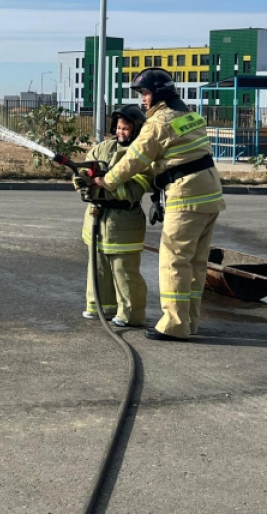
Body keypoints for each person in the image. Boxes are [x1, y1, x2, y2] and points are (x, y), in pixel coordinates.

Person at [94, 69, 225, 342]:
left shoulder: (159, 122)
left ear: (159, 94)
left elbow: (134, 159)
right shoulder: (190, 117)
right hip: (210, 196)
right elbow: (175, 157)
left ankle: (174, 325)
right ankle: (189, 321)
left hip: (186, 197)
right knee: (196, 263)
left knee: (174, 262)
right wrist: (157, 193)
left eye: (145, 93)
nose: (142, 100)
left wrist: (106, 181)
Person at [74, 105, 153, 328]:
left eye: (126, 128)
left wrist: (104, 185)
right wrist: (82, 181)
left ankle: (131, 314)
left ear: (136, 130)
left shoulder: (141, 156)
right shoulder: (103, 148)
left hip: (124, 223)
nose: (121, 132)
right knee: (97, 268)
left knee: (124, 272)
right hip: (96, 220)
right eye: (118, 127)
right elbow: (84, 171)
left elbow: (135, 189)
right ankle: (99, 307)